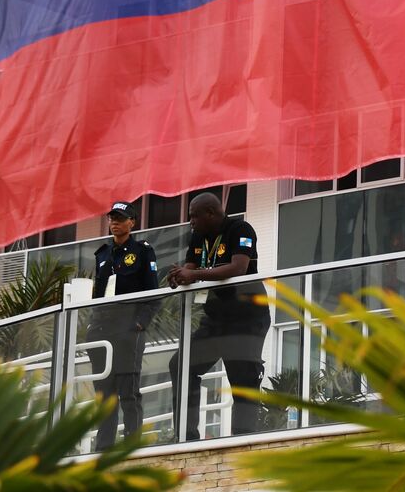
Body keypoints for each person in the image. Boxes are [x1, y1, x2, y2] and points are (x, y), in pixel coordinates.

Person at [166, 192, 270, 441]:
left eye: (194, 216)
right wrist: (180, 274)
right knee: (180, 364)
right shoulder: (198, 236)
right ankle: (186, 436)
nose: (190, 221)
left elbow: (238, 267)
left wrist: (196, 274)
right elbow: (190, 267)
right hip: (215, 318)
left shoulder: (240, 228)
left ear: (210, 213)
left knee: (242, 377)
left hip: (247, 317)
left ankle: (243, 439)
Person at [85, 201, 158, 452]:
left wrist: (140, 323)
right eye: (112, 218)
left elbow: (152, 293)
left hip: (128, 329)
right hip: (102, 329)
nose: (114, 222)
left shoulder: (142, 251)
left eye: (120, 218)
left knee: (128, 390)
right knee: (104, 394)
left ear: (132, 223)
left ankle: (131, 446)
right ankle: (104, 447)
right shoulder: (103, 253)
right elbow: (98, 293)